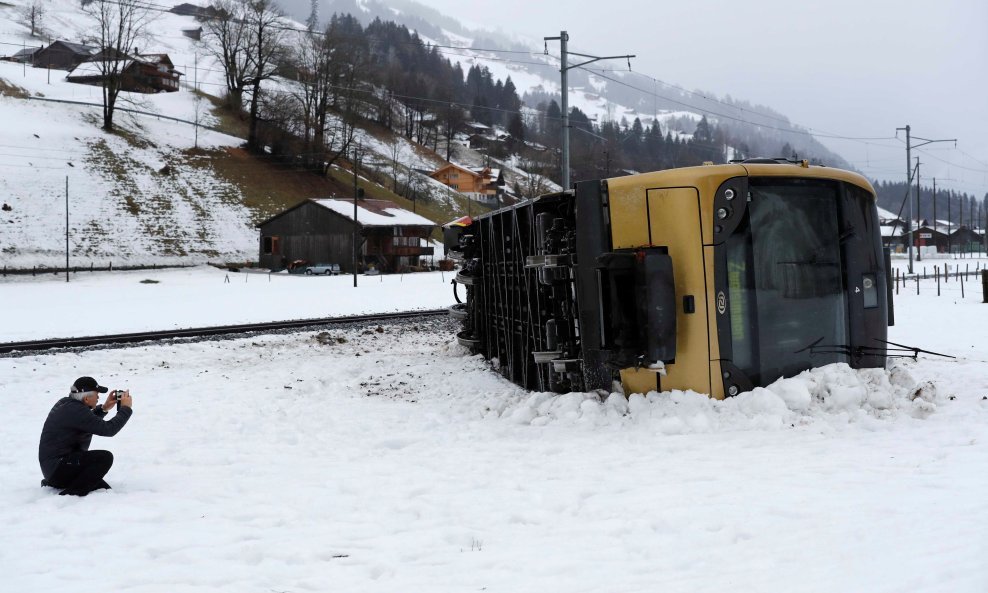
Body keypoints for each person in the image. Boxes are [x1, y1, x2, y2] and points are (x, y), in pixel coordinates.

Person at [38, 376, 133, 496]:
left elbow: (86, 422)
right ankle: (71, 494)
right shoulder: (75, 410)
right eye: (96, 394)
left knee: (103, 489)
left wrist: (104, 408)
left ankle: (61, 484)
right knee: (104, 458)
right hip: (58, 469)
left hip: (56, 467)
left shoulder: (68, 404)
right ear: (87, 399)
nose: (99, 397)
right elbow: (109, 429)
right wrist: (125, 409)